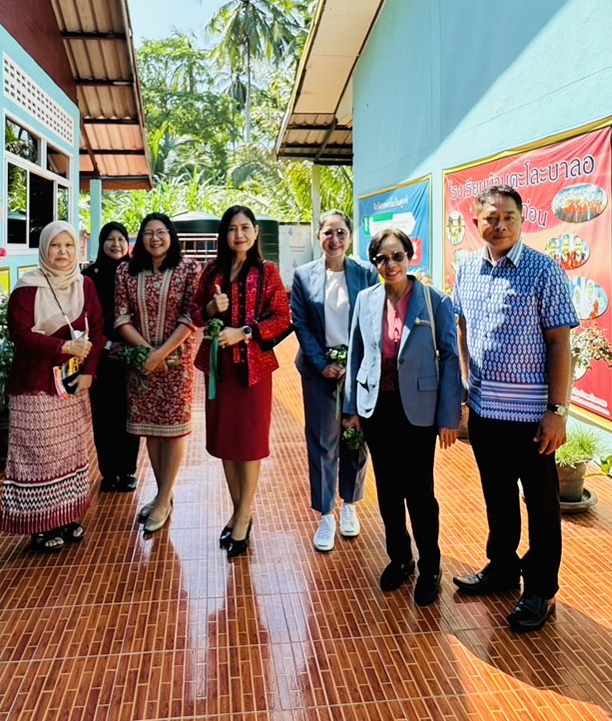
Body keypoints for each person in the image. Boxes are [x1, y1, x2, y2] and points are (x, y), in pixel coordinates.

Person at [450, 185, 579, 631]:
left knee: (541, 505)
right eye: (491, 218)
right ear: (477, 223)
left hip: (532, 419)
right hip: (486, 414)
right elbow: (462, 328)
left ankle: (540, 587)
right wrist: (466, 388)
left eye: (508, 217)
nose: (499, 225)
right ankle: (502, 567)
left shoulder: (545, 271)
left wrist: (557, 411)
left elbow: (559, 342)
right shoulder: (467, 269)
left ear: (523, 221)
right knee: (498, 497)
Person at [344, 228, 461, 606]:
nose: (390, 264)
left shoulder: (433, 301)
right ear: (374, 263)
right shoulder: (365, 300)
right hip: (377, 408)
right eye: (382, 258)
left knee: (420, 492)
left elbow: (451, 358)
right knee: (388, 490)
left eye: (397, 256)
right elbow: (356, 353)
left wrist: (449, 416)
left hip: (419, 412)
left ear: (410, 258)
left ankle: (430, 567)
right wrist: (351, 407)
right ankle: (400, 558)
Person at [0, 221, 104, 552]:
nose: (62, 252)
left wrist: (90, 372)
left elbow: (98, 330)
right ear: (44, 249)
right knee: (40, 454)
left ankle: (67, 516)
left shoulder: (85, 284)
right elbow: (21, 335)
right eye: (55, 246)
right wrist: (63, 347)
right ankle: (42, 526)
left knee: (70, 452)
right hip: (35, 384)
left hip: (72, 384)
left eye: (68, 246)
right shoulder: (27, 288)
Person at [193, 205, 292, 558]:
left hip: (253, 371)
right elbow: (194, 313)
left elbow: (282, 317)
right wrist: (210, 309)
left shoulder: (267, 271)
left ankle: (244, 515)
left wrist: (244, 332)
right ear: (224, 234)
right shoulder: (211, 271)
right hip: (219, 369)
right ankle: (239, 514)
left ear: (255, 232)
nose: (239, 235)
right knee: (226, 441)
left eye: (245, 227)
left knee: (249, 444)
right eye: (232, 228)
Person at [290, 210, 375, 552]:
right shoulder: (304, 275)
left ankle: (350, 506)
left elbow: (373, 322)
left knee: (355, 438)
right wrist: (322, 363)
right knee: (322, 442)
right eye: (328, 232)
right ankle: (326, 515)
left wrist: (353, 365)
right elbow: (300, 323)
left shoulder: (366, 274)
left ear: (350, 237)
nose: (334, 239)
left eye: (341, 233)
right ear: (318, 236)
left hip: (357, 370)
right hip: (319, 372)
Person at [115, 212, 201, 534]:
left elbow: (191, 316)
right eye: (148, 233)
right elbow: (121, 317)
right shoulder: (126, 271)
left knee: (173, 429)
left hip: (176, 363)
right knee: (152, 429)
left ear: (171, 235)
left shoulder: (189, 269)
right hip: (141, 363)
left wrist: (161, 353)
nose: (155, 238)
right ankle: (163, 493)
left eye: (161, 232)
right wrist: (147, 354)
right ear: (141, 238)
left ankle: (164, 498)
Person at [83, 222, 137, 492]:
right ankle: (109, 473)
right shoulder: (88, 276)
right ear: (102, 242)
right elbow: (83, 318)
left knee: (129, 413)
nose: (116, 244)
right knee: (103, 414)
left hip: (130, 353)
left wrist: (128, 343)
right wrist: (105, 345)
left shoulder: (136, 273)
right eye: (110, 239)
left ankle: (127, 471)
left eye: (121, 239)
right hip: (99, 356)